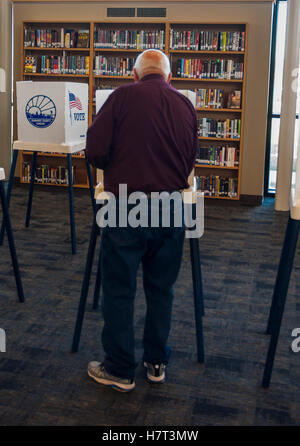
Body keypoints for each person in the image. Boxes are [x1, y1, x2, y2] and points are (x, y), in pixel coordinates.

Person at [86, 49, 198, 392]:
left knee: (119, 288)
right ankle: (156, 362)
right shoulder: (185, 105)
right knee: (161, 288)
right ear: (169, 78)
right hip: (172, 207)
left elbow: (95, 151)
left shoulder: (121, 98)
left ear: (134, 75)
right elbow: (190, 158)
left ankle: (120, 368)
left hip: (125, 206)